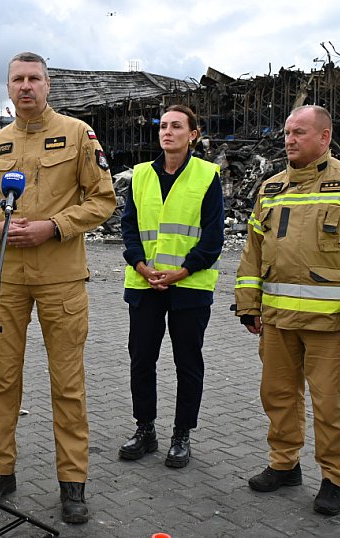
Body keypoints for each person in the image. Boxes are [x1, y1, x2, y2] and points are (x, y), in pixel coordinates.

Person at [0, 52, 116, 524]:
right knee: (1, 380)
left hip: (61, 278)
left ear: (48, 85)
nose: (26, 86)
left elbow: (104, 199)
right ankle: (0, 469)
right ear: (8, 86)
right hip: (7, 278)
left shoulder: (78, 134)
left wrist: (54, 226)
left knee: (68, 384)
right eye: (18, 79)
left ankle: (72, 483)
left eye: (35, 78)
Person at [235, 105, 340, 516]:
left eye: (299, 132)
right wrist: (249, 305)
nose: (289, 139)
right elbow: (252, 251)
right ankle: (284, 465)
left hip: (332, 325)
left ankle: (335, 478)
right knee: (278, 397)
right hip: (277, 322)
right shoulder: (270, 188)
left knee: (331, 405)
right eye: (287, 132)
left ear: (324, 137)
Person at [119, 104, 224, 468]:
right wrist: (141, 265)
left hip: (189, 286)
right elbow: (129, 228)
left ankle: (182, 434)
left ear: (192, 134)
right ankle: (145, 429)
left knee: (188, 362)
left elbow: (213, 237)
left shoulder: (207, 176)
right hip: (145, 283)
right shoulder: (140, 176)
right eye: (163, 126)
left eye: (176, 126)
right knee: (141, 360)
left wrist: (183, 271)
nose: (167, 132)